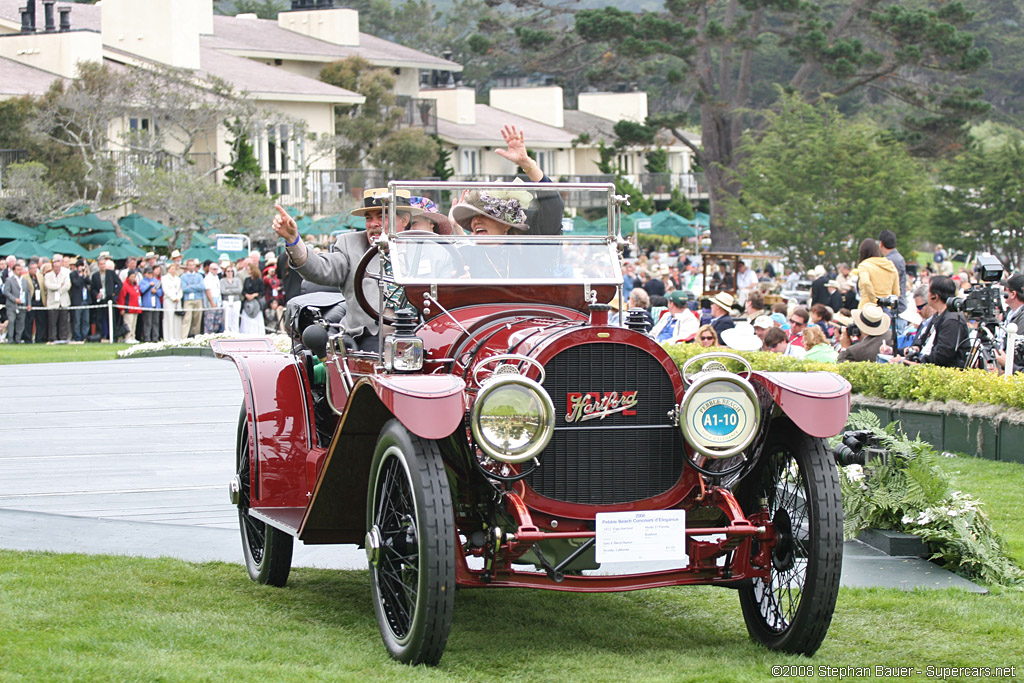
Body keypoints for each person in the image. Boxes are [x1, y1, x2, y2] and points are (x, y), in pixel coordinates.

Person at [272, 187, 421, 351]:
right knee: (378, 356)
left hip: (421, 332)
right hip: (370, 337)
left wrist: (455, 228)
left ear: (405, 220)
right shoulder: (350, 244)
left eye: (382, 216)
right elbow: (321, 269)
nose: (374, 224)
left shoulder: (423, 248)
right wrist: (294, 240)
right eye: (368, 218)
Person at [893, 275, 968, 368]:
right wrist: (915, 349)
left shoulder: (952, 320)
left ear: (935, 297)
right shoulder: (939, 315)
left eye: (928, 291)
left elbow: (942, 357)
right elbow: (923, 341)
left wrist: (911, 363)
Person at [993, 273, 1024, 374]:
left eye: (1005, 289)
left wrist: (1007, 365)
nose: (1003, 292)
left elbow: (1017, 351)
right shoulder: (1010, 313)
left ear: (1013, 294)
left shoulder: (1021, 319)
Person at [856, 238, 899, 308]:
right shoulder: (890, 266)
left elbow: (866, 282)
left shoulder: (864, 265)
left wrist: (875, 301)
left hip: (867, 308)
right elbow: (896, 293)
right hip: (885, 309)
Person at [90, 256, 121, 340]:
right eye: (101, 264)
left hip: (109, 298)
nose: (103, 266)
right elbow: (93, 288)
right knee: (99, 319)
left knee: (111, 318)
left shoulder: (111, 273)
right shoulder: (95, 275)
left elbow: (119, 283)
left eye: (104, 264)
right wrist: (96, 294)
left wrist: (114, 293)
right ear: (98, 265)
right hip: (100, 300)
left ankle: (113, 336)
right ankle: (99, 336)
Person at [878, 229, 908, 318]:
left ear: (881, 244)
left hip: (893, 310)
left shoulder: (888, 262)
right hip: (900, 306)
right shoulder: (899, 258)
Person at [44, 254, 71, 343]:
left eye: (59, 267)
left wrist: (58, 289)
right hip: (52, 303)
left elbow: (67, 286)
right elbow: (48, 285)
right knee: (52, 322)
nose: (57, 269)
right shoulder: (48, 276)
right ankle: (53, 338)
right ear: (52, 267)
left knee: (63, 321)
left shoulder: (65, 274)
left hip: (63, 301)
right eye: (56, 267)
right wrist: (59, 285)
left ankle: (63, 338)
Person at [180, 259, 205, 338]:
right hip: (188, 300)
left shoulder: (199, 276)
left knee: (197, 319)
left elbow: (202, 287)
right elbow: (184, 288)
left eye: (193, 265)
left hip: (198, 299)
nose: (191, 267)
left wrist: (190, 286)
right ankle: (184, 337)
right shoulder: (183, 276)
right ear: (187, 266)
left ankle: (196, 336)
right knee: (187, 318)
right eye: (190, 265)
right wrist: (195, 286)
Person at [3, 262, 27, 344]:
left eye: (20, 270)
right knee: (11, 322)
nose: (19, 271)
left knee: (21, 322)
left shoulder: (24, 280)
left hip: (22, 305)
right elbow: (6, 292)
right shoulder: (9, 280)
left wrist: (28, 304)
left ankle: (18, 339)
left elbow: (27, 292)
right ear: (13, 271)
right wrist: (14, 299)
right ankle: (10, 339)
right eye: (18, 270)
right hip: (11, 305)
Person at [240, 262, 266, 336]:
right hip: (247, 302)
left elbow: (262, 291)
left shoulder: (259, 280)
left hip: (256, 302)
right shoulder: (247, 280)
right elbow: (243, 290)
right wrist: (247, 295)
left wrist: (254, 295)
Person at [69, 258, 92, 342]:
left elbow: (89, 282)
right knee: (77, 320)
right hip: (77, 301)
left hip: (85, 300)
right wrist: (80, 276)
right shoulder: (73, 274)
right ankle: (77, 336)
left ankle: (84, 336)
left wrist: (85, 275)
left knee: (86, 320)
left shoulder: (85, 274)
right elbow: (77, 283)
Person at [138, 266, 163, 343]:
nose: (150, 275)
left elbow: (161, 292)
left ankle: (155, 337)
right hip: (147, 304)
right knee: (147, 322)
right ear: (145, 274)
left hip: (156, 304)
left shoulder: (156, 281)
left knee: (156, 322)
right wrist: (149, 285)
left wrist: (156, 292)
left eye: (151, 273)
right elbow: (142, 290)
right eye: (149, 273)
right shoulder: (142, 282)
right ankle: (147, 338)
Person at [116, 271, 142, 344]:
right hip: (128, 308)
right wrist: (122, 308)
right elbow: (121, 297)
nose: (133, 278)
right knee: (128, 324)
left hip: (136, 308)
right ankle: (127, 337)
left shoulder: (136, 285)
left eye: (134, 277)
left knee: (134, 324)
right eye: (132, 277)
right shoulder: (125, 285)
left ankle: (133, 337)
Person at [161, 262, 183, 342]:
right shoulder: (164, 278)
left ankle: (177, 337)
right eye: (172, 269)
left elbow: (180, 290)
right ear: (168, 270)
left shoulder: (178, 279)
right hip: (169, 300)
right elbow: (166, 289)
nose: (173, 271)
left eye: (174, 269)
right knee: (169, 318)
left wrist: (178, 297)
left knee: (177, 319)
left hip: (177, 300)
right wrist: (173, 297)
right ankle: (168, 337)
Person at [220, 265, 243, 333]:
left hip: (236, 301)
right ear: (225, 272)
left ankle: (236, 332)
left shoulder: (237, 280)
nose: (230, 273)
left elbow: (239, 290)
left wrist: (228, 289)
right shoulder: (222, 280)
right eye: (228, 271)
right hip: (226, 301)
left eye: (231, 271)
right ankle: (228, 332)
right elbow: (223, 291)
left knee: (235, 317)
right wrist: (233, 290)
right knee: (227, 318)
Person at [203, 261, 224, 334]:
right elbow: (208, 291)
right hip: (211, 301)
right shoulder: (207, 278)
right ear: (210, 269)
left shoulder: (216, 277)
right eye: (214, 269)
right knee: (209, 321)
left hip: (218, 300)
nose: (216, 271)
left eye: (217, 269)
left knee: (217, 321)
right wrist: (212, 302)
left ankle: (215, 335)